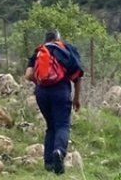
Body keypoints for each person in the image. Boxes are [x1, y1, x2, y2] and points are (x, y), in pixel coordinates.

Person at [24, 30, 84, 175]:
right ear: (58, 38)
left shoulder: (39, 51)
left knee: (50, 126)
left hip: (42, 93)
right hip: (60, 90)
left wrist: (40, 83)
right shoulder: (66, 49)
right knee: (62, 125)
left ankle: (49, 163)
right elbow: (77, 76)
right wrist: (76, 98)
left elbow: (28, 75)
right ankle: (59, 151)